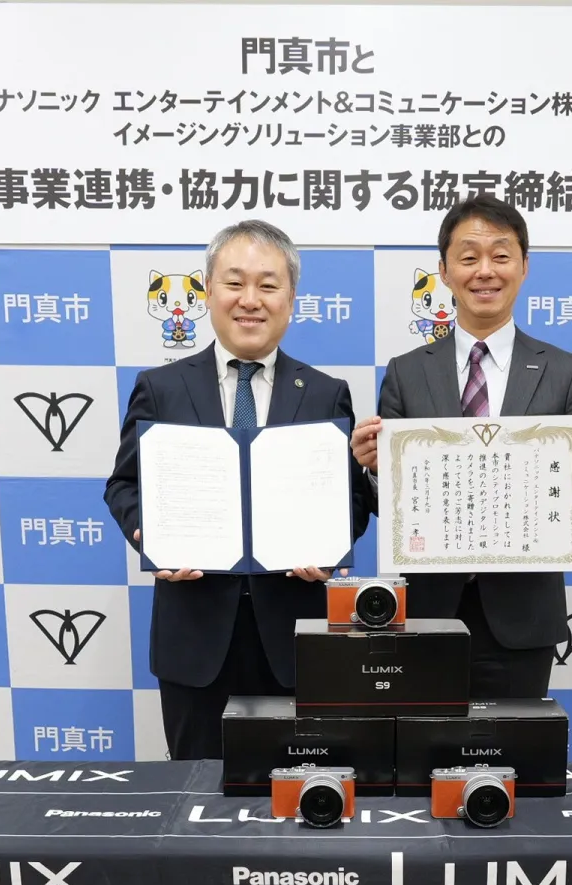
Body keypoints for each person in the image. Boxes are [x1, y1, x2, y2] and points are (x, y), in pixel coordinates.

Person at [104, 219, 373, 760]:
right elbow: (124, 485)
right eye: (234, 282)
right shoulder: (161, 387)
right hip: (194, 638)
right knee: (197, 786)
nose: (250, 300)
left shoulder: (326, 393)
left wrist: (330, 549)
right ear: (208, 290)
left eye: (268, 285)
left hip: (295, 638)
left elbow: (353, 498)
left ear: (290, 300)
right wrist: (149, 535)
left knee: (298, 785)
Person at [350, 194, 572, 700]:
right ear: (444, 270)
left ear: (524, 266)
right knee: (425, 744)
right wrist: (374, 470)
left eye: (500, 255)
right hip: (430, 612)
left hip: (524, 616)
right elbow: (391, 504)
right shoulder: (406, 373)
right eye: (469, 257)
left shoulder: (565, 372)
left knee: (516, 745)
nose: (485, 271)